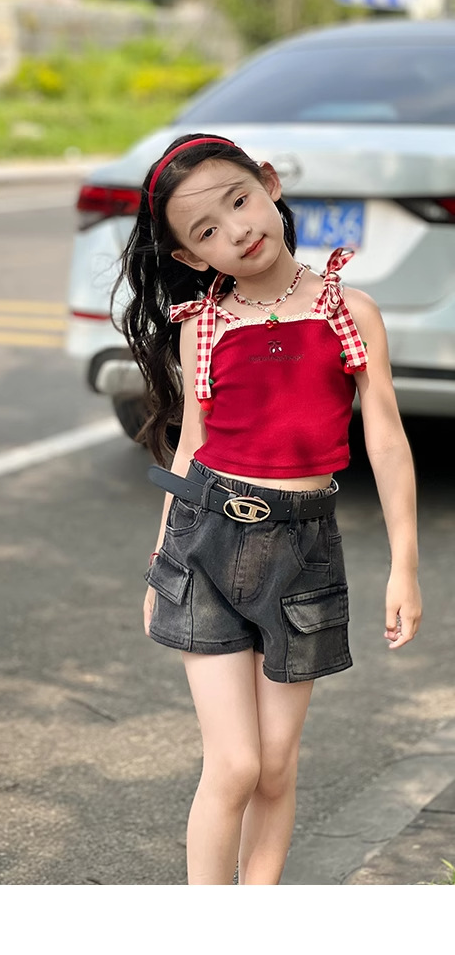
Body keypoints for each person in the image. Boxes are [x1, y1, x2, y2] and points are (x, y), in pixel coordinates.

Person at [114, 133, 422, 886]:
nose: (237, 230)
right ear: (190, 257)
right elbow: (191, 447)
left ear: (270, 184)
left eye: (239, 200)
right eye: (207, 231)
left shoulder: (350, 311)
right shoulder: (203, 325)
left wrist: (404, 567)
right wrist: (160, 561)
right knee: (235, 763)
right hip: (206, 545)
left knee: (277, 765)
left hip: (303, 552)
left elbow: (385, 437)